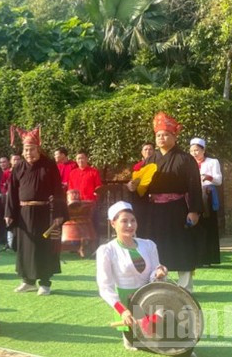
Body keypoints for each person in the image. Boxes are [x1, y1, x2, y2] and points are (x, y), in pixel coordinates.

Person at [127, 112, 202, 292]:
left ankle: (185, 287)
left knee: (181, 246)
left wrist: (194, 210)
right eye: (158, 135)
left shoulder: (185, 159)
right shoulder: (149, 161)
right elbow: (142, 189)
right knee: (154, 247)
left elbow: (194, 186)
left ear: (174, 137)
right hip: (154, 211)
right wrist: (132, 188)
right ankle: (158, 283)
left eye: (165, 134)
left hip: (177, 209)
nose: (161, 138)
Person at [96, 201, 167, 352]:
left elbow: (154, 274)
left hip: (150, 299)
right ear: (112, 223)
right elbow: (105, 287)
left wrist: (160, 272)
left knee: (167, 338)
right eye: (124, 221)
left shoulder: (148, 245)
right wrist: (123, 311)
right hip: (126, 305)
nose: (130, 225)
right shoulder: (107, 251)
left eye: (133, 220)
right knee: (138, 344)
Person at [5, 126, 68, 295]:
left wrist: (58, 214)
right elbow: (11, 191)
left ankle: (45, 282)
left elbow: (57, 190)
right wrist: (9, 214)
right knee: (25, 247)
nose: (28, 153)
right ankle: (28, 281)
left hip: (45, 213)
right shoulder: (18, 167)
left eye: (31, 149)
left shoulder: (49, 166)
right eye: (26, 150)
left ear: (38, 149)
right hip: (23, 214)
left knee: (44, 247)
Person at [189, 138, 222, 266]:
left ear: (203, 150)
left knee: (208, 225)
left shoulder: (213, 162)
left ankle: (208, 258)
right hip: (193, 195)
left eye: (197, 150)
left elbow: (219, 180)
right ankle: (196, 257)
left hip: (207, 196)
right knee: (195, 225)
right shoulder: (189, 164)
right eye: (192, 151)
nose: (194, 153)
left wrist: (208, 177)